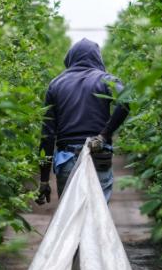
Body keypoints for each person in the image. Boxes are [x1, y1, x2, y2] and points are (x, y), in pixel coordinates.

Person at [35, 38, 131, 205]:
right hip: (98, 157)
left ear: (70, 58)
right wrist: (103, 136)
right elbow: (125, 101)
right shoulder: (106, 79)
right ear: (97, 59)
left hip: (67, 161)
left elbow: (47, 136)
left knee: (71, 221)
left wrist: (44, 180)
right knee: (97, 219)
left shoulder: (55, 85)